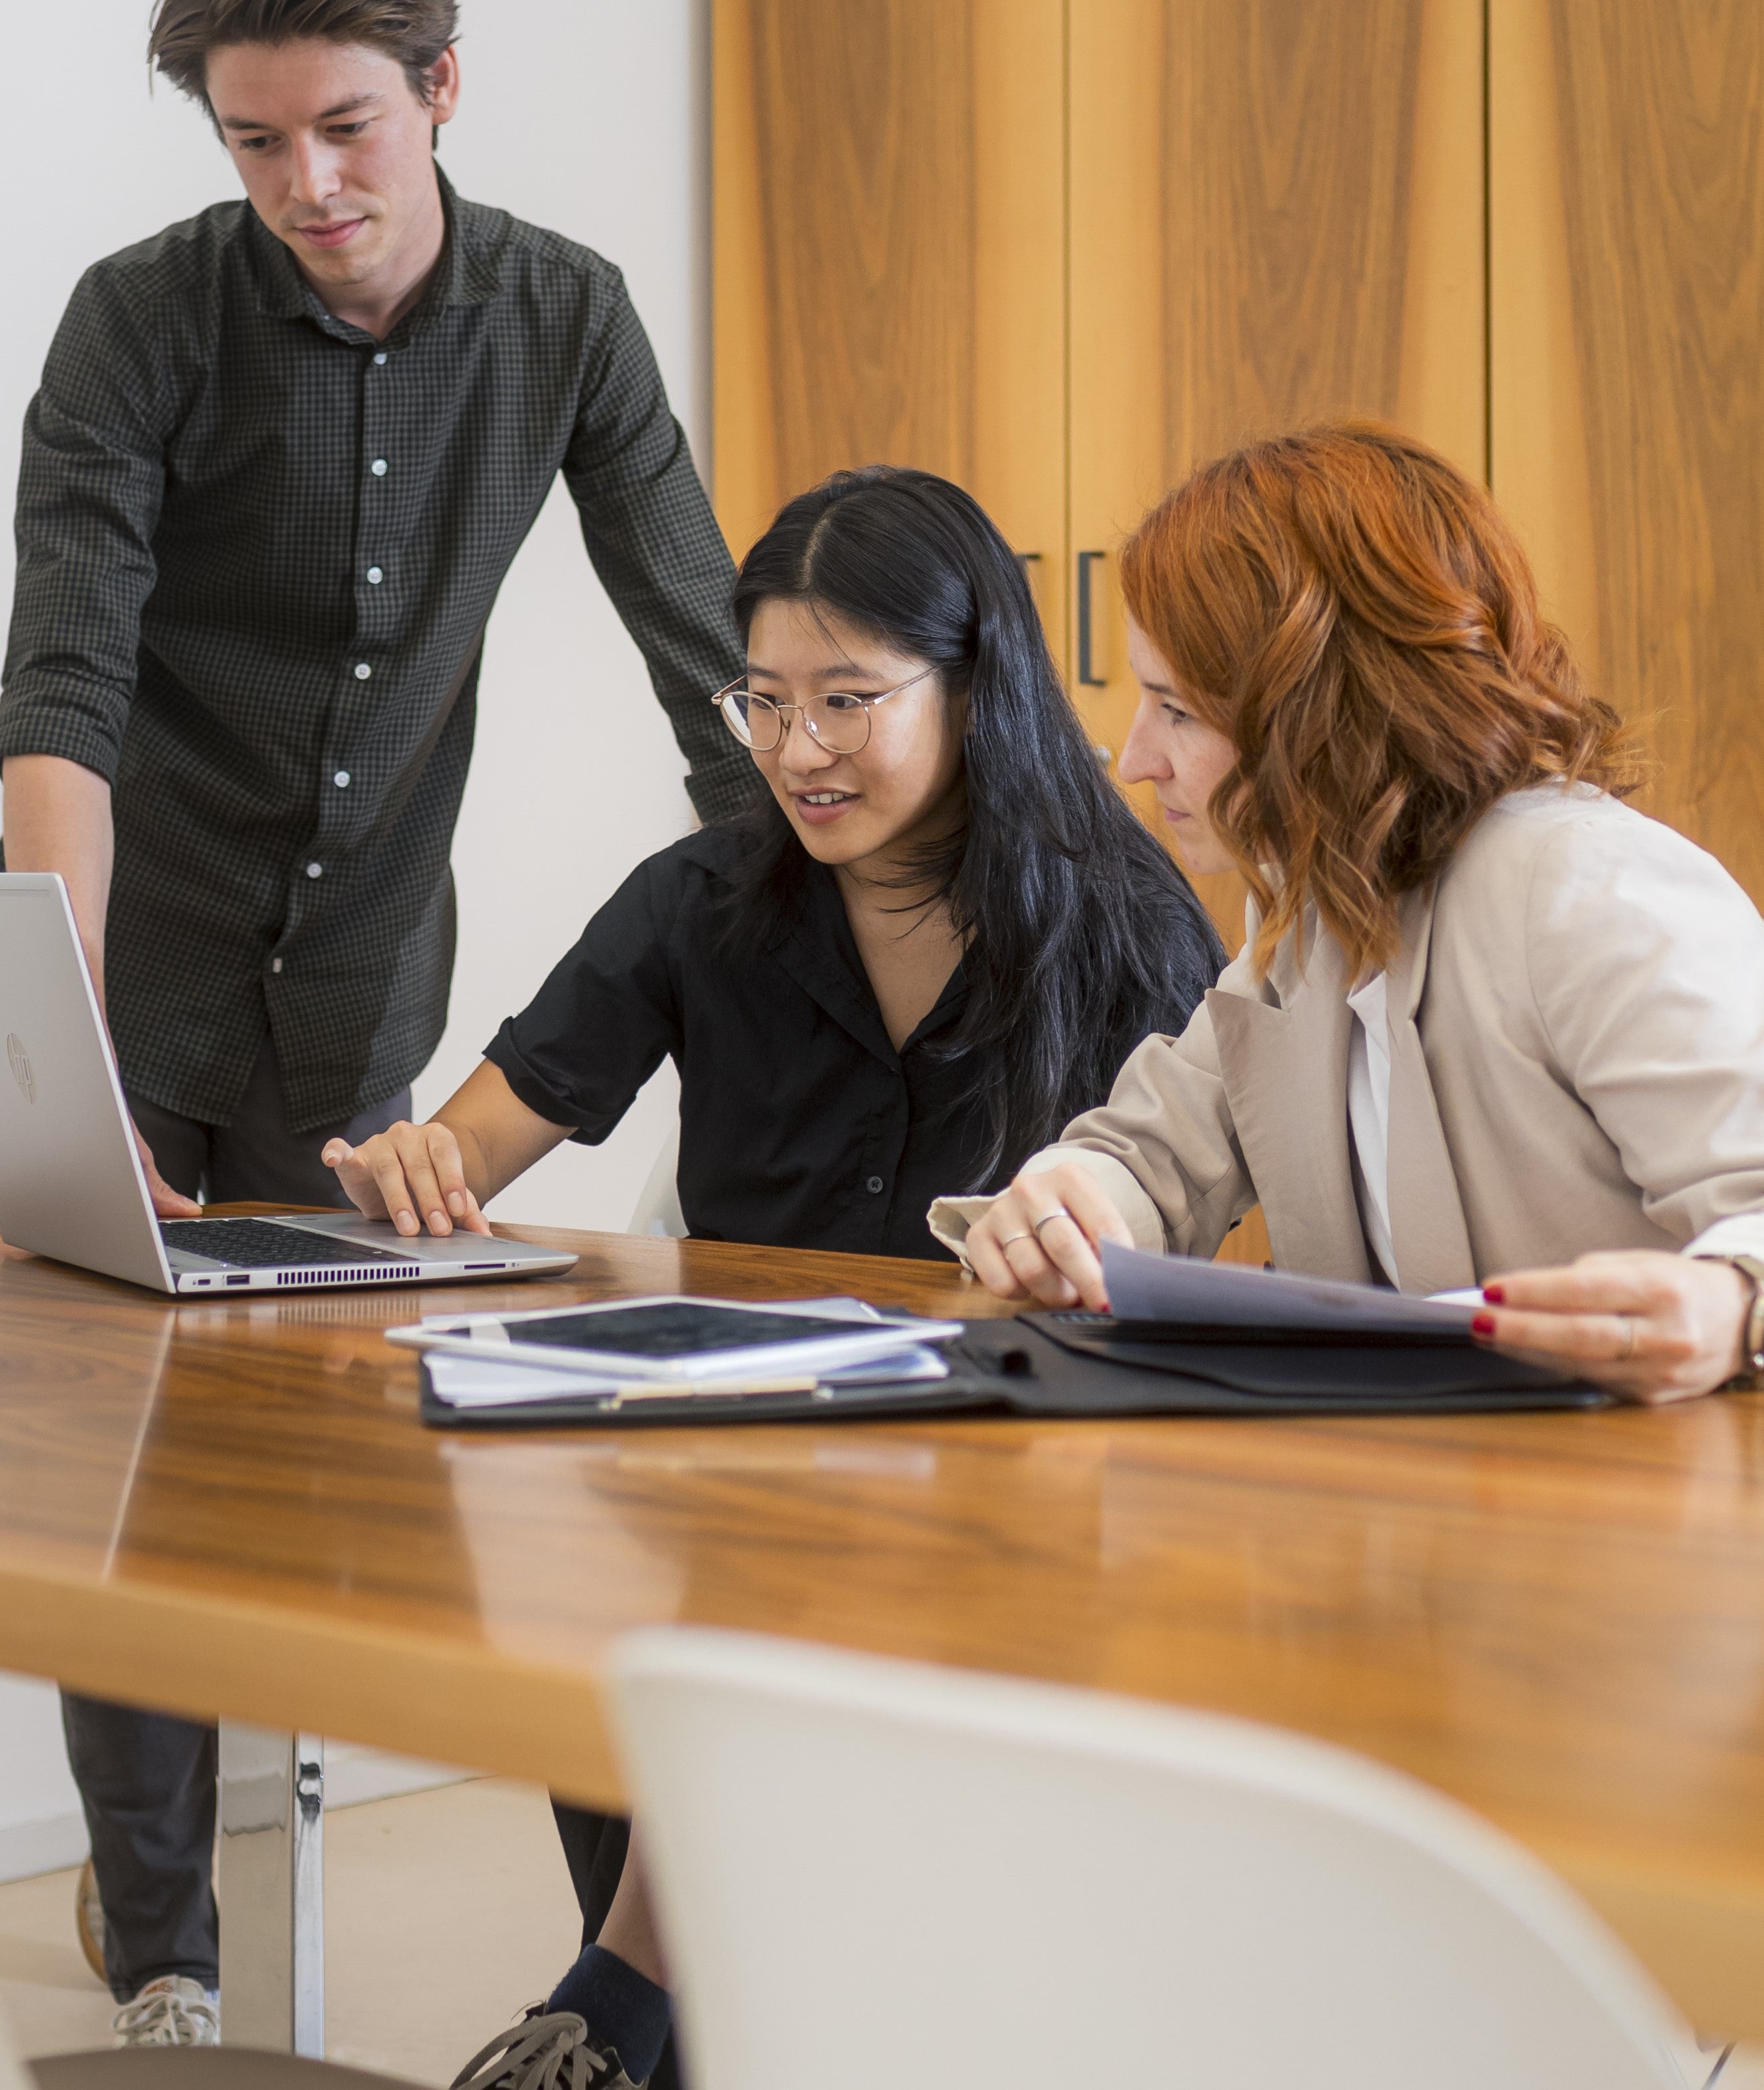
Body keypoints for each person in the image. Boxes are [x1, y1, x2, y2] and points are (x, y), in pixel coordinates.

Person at [0, 0, 767, 2048]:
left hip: (368, 982)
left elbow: (713, 665)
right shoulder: (137, 324)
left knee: (347, 1460)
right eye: (253, 142)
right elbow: (63, 693)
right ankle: (167, 1962)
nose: (305, 186)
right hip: (139, 948)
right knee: (119, 1471)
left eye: (347, 132)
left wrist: (802, 933)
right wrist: (62, 1069)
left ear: (442, 92)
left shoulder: (564, 322)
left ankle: (536, 1968)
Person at [330, 466, 1225, 2090]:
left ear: (972, 685)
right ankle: (645, 2012)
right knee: (619, 1577)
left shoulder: (1122, 926)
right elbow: (472, 1148)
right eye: (763, 701)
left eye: (846, 700)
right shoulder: (702, 900)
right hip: (734, 1465)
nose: (796, 749)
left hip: (1014, 1492)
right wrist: (415, 1170)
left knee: (731, 1613)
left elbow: (1190, 1235)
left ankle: (617, 2001)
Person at [941, 420, 1764, 1389]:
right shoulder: (1312, 927)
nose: (1132, 759)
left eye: (1174, 708)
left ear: (1319, 708)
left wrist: (1738, 1304)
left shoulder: (1584, 891)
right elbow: (1152, 1154)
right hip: (1554, 1512)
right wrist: (1072, 1197)